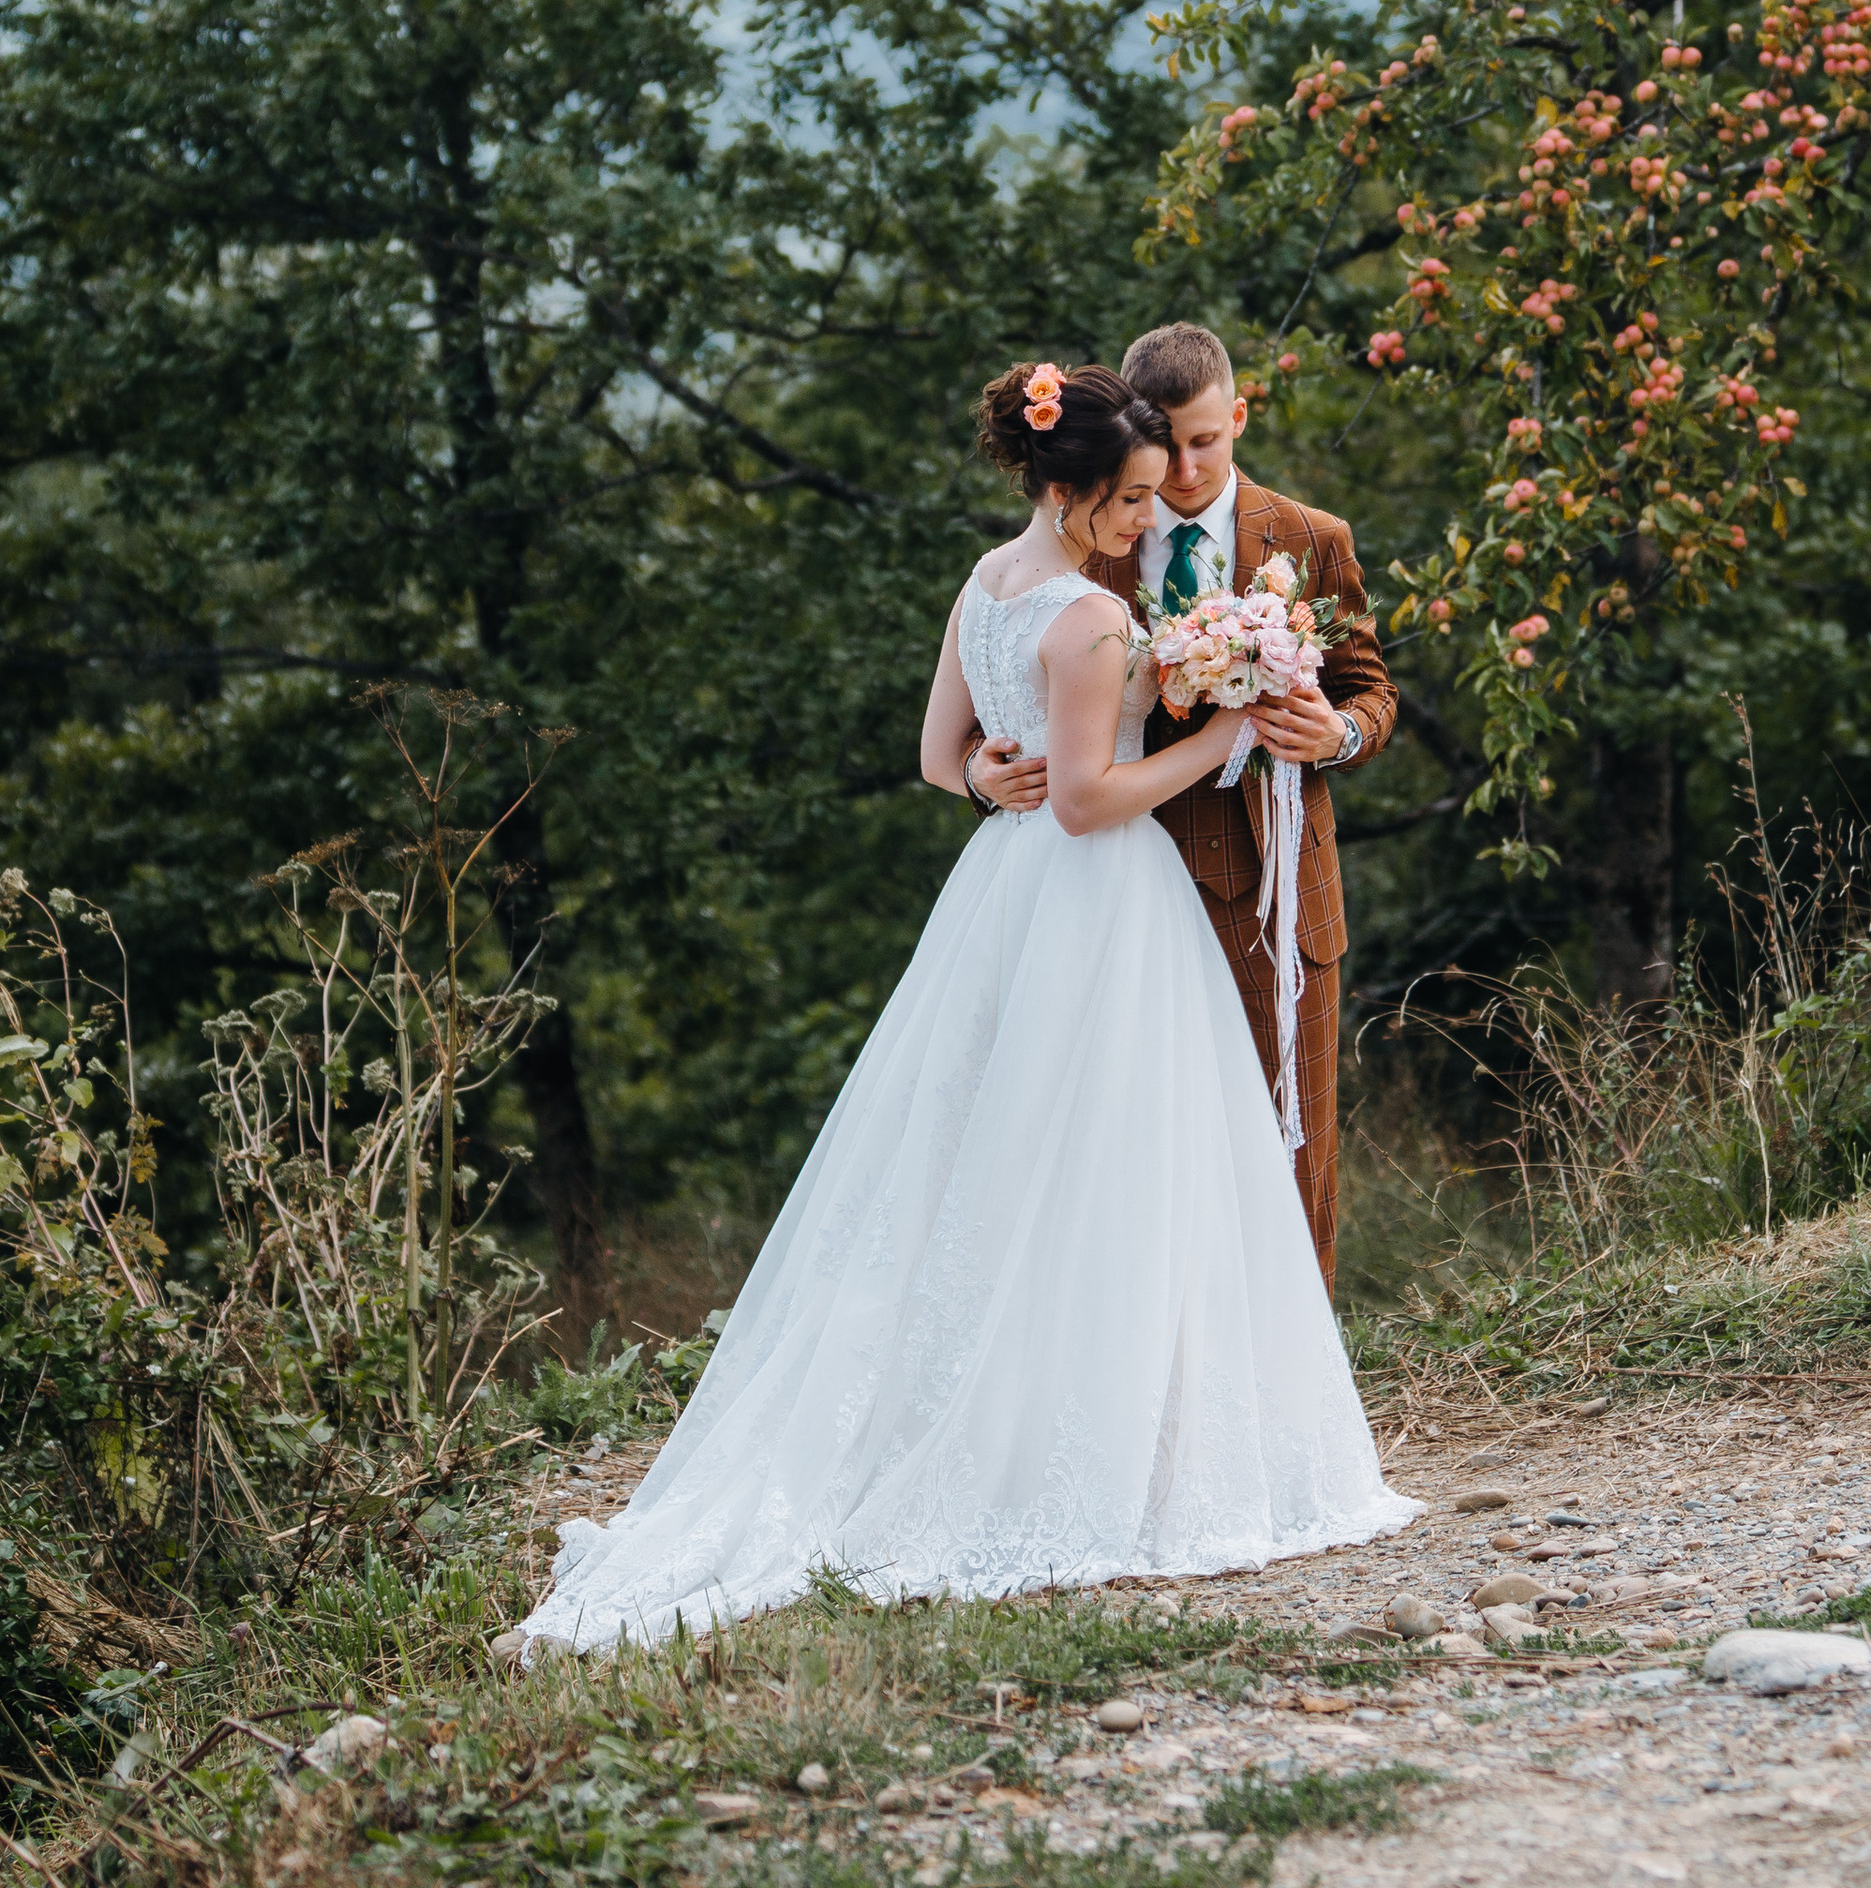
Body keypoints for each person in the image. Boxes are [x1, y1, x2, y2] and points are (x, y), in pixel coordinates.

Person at [516, 361, 1414, 1652]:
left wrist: (996, 779)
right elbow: (1098, 799)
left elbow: (944, 760)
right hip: (1102, 897)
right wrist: (1217, 745)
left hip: (1004, 889)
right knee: (1101, 1157)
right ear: (1067, 489)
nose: (1136, 526)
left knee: (1004, 1154)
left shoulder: (987, 585)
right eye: (1123, 504)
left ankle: (1094, 1411)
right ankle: (1094, 1443)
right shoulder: (1094, 623)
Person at [971, 322, 1394, 1289]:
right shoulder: (1088, 546)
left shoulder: (1311, 540)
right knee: (1139, 1169)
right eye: (1170, 445)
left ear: (1238, 418)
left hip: (1278, 894)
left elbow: (1372, 687)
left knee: (1292, 1156)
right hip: (1122, 897)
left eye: (1209, 441)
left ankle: (1295, 1410)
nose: (1188, 468)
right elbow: (1006, 702)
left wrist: (1344, 734)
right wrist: (977, 774)